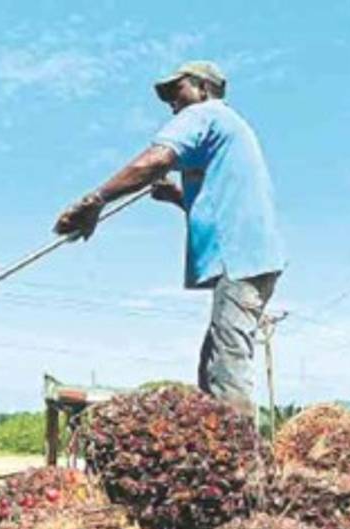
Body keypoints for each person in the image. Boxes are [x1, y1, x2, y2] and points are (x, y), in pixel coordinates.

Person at [54, 60, 285, 415]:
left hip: (241, 258)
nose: (172, 105)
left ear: (203, 89)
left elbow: (155, 160)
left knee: (227, 371)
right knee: (212, 368)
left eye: (177, 93)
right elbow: (218, 201)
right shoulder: (229, 128)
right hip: (253, 256)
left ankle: (241, 463)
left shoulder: (205, 113)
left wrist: (95, 201)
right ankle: (223, 455)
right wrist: (176, 197)